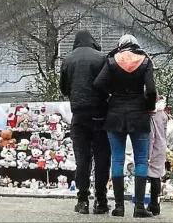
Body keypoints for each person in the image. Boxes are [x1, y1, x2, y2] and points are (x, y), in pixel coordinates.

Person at [93, 34, 156, 218]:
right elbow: (151, 90)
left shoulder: (112, 61)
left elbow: (98, 83)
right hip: (139, 115)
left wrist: (110, 96)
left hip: (114, 115)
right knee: (142, 160)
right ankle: (138, 208)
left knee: (118, 160)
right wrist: (149, 107)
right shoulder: (145, 61)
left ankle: (119, 207)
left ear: (120, 46)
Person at [60, 30, 111, 215]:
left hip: (79, 116)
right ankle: (101, 201)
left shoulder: (67, 60)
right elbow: (107, 85)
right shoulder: (101, 58)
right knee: (102, 159)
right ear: (93, 41)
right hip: (100, 115)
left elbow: (64, 88)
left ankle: (82, 201)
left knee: (82, 159)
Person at [147, 95, 168, 216]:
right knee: (157, 175)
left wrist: (148, 155)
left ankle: (153, 204)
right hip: (162, 146)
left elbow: (151, 136)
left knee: (153, 176)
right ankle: (156, 203)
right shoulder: (162, 113)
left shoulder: (153, 116)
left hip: (154, 148)